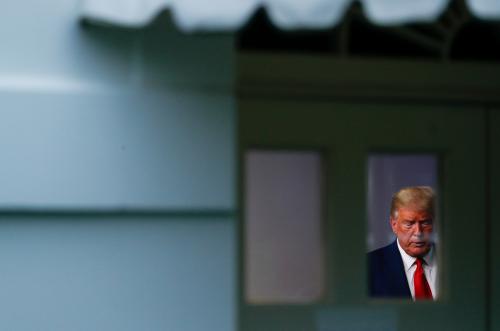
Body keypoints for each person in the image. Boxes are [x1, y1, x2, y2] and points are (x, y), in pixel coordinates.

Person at [368, 186, 438, 300]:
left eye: (425, 223)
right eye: (409, 224)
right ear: (394, 224)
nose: (418, 233)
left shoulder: (456, 263)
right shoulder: (369, 267)